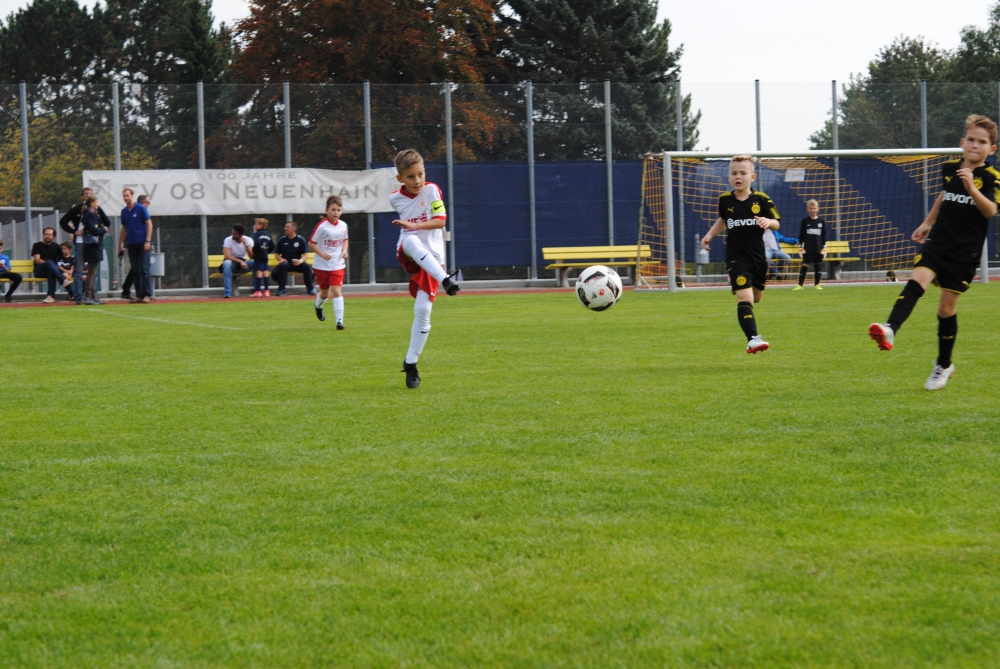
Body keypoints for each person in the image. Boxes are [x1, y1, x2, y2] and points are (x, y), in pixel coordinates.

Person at [869, 114, 1000, 391]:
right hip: (938, 243)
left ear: (991, 149)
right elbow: (944, 194)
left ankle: (943, 365)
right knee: (917, 280)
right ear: (962, 142)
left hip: (964, 253)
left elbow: (990, 210)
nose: (975, 145)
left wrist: (970, 187)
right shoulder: (950, 168)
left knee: (945, 309)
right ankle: (891, 328)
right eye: (971, 140)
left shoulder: (991, 177)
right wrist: (928, 222)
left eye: (982, 142)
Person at [390, 149, 461, 388]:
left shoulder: (433, 190)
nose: (417, 180)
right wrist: (411, 228)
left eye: (420, 174)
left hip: (433, 258)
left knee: (422, 310)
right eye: (411, 176)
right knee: (411, 239)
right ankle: (447, 280)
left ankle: (411, 363)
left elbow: (441, 221)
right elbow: (411, 229)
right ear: (400, 178)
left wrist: (413, 224)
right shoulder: (395, 198)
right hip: (409, 251)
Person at [700, 155, 780, 354]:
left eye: (743, 173)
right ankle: (752, 339)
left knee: (756, 298)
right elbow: (723, 219)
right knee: (745, 298)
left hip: (758, 258)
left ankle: (752, 334)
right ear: (729, 177)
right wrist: (709, 235)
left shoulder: (762, 199)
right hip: (736, 258)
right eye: (734, 173)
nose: (738, 176)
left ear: (752, 177)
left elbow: (776, 223)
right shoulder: (725, 200)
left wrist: (767, 222)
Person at [60, 187, 111, 304]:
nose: (88, 195)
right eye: (86, 193)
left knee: (92, 271)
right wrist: (74, 231)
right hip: (80, 242)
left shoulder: (96, 210)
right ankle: (79, 297)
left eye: (90, 193)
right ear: (82, 196)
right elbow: (63, 221)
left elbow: (107, 222)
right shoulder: (79, 210)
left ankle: (93, 295)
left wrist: (102, 230)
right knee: (79, 271)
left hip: (92, 243)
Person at [308, 196, 349, 328]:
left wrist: (344, 251)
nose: (336, 212)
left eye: (338, 210)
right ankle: (318, 306)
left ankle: (339, 322)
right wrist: (322, 254)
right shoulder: (321, 226)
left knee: (336, 292)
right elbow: (311, 243)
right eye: (333, 209)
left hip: (337, 264)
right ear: (327, 210)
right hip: (321, 265)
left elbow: (345, 239)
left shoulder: (343, 225)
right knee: (325, 293)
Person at [118, 188, 153, 304]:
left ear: (132, 196)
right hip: (131, 244)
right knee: (136, 270)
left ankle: (147, 294)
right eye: (124, 196)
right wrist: (120, 244)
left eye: (127, 195)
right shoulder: (124, 211)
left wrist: (147, 241)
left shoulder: (141, 208)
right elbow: (124, 228)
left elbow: (149, 224)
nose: (125, 198)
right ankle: (139, 294)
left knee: (144, 269)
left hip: (142, 243)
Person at [793, 199, 828, 291]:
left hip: (818, 248)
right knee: (805, 265)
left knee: (818, 265)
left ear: (818, 209)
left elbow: (823, 236)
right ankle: (800, 285)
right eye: (811, 208)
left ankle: (817, 284)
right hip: (808, 248)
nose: (812, 210)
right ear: (807, 209)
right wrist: (800, 248)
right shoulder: (805, 221)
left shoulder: (821, 222)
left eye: (814, 208)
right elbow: (801, 236)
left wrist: (824, 248)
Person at [272, 221, 314, 295]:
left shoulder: (301, 240)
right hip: (286, 264)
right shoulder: (282, 240)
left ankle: (310, 289)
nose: (285, 228)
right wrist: (281, 259)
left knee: (306, 267)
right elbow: (276, 254)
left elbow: (306, 255)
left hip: (297, 263)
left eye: (287, 227)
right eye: (285, 227)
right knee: (281, 267)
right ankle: (281, 290)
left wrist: (300, 261)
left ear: (293, 229)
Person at [80, 195, 109, 304]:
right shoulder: (90, 214)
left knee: (93, 272)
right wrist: (103, 229)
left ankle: (93, 296)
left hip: (94, 245)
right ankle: (89, 296)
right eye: (97, 202)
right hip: (92, 245)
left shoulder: (92, 213)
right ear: (92, 203)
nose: (98, 204)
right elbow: (93, 230)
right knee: (91, 273)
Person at [220, 224, 255, 298]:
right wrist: (240, 261)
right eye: (232, 233)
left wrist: (246, 244)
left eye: (235, 234)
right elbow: (227, 256)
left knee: (255, 262)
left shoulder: (248, 240)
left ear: (241, 235)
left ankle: (256, 290)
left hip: (243, 264)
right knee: (227, 263)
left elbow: (251, 256)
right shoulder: (228, 240)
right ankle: (227, 293)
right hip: (232, 262)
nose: (232, 235)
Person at [31, 227, 64, 303]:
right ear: (43, 235)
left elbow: (62, 259)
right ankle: (62, 280)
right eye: (46, 234)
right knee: (49, 263)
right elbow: (37, 260)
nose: (47, 236)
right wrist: (50, 264)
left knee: (50, 271)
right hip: (39, 270)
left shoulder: (56, 247)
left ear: (53, 237)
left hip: (51, 271)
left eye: (49, 235)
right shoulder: (37, 245)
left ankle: (51, 296)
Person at [251, 218, 274, 297]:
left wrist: (254, 251)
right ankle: (267, 291)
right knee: (265, 272)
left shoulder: (257, 234)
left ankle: (258, 291)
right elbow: (272, 246)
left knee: (259, 272)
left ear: (261, 225)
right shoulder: (268, 234)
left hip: (258, 255)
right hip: (265, 255)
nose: (255, 225)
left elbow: (257, 243)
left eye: (256, 224)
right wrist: (266, 251)